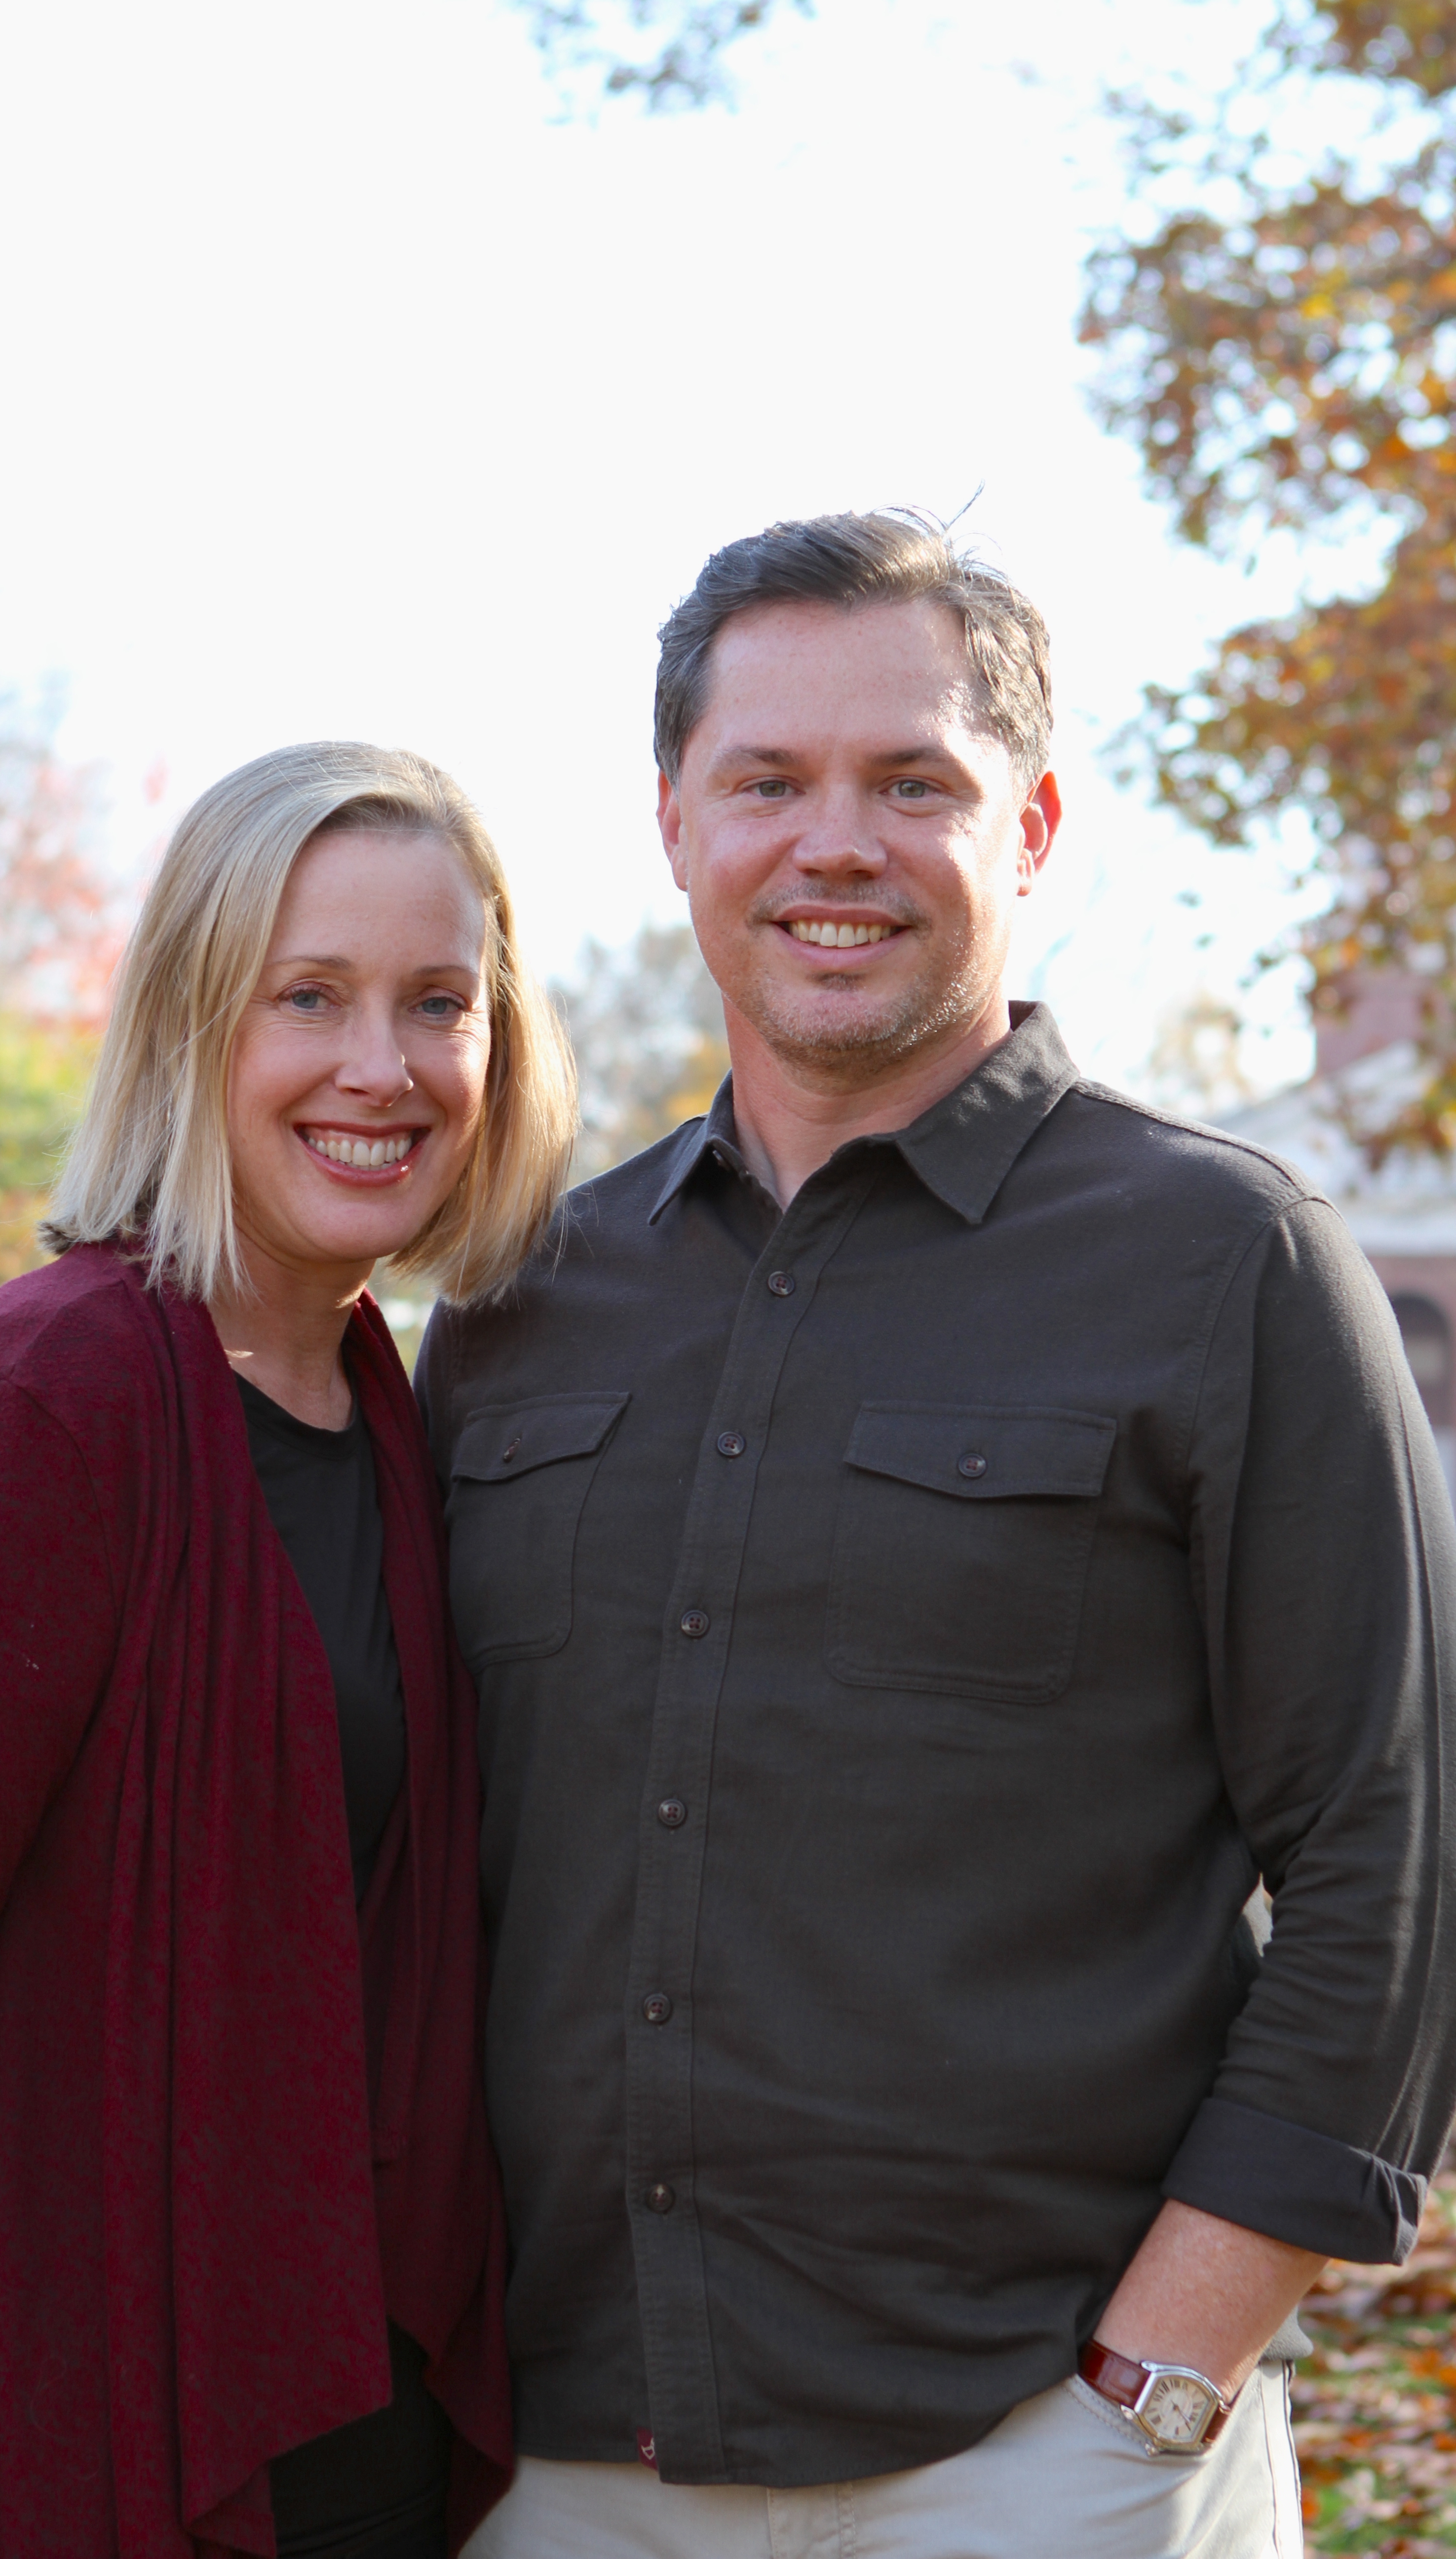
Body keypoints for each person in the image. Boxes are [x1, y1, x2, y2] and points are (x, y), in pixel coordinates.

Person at [418, 511, 1456, 2559]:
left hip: (1038, 2458)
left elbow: (1396, 1847)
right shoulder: (523, 1293)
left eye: (915, 783)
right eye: (768, 783)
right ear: (674, 826)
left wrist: (1158, 2381)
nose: (836, 845)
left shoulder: (1225, 1263)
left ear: (1034, 824)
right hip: (555, 2462)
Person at [0, 742, 575, 2559]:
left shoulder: (397, 1413)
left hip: (363, 2458)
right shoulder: (33, 1417)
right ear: (194, 1022)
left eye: (439, 1002)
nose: (383, 1066)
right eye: (310, 997)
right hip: (76, 2457)